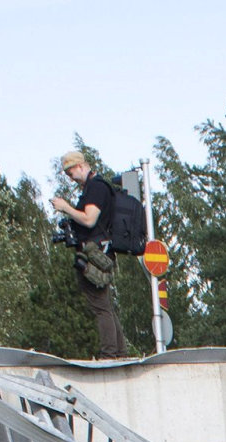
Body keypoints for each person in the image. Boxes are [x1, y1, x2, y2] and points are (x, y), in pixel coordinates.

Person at [48, 147, 144, 360]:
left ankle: (109, 354)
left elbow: (90, 219)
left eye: (71, 173)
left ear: (80, 166)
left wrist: (66, 208)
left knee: (101, 307)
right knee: (105, 305)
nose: (71, 178)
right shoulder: (93, 188)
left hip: (96, 254)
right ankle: (119, 352)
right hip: (97, 252)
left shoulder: (96, 188)